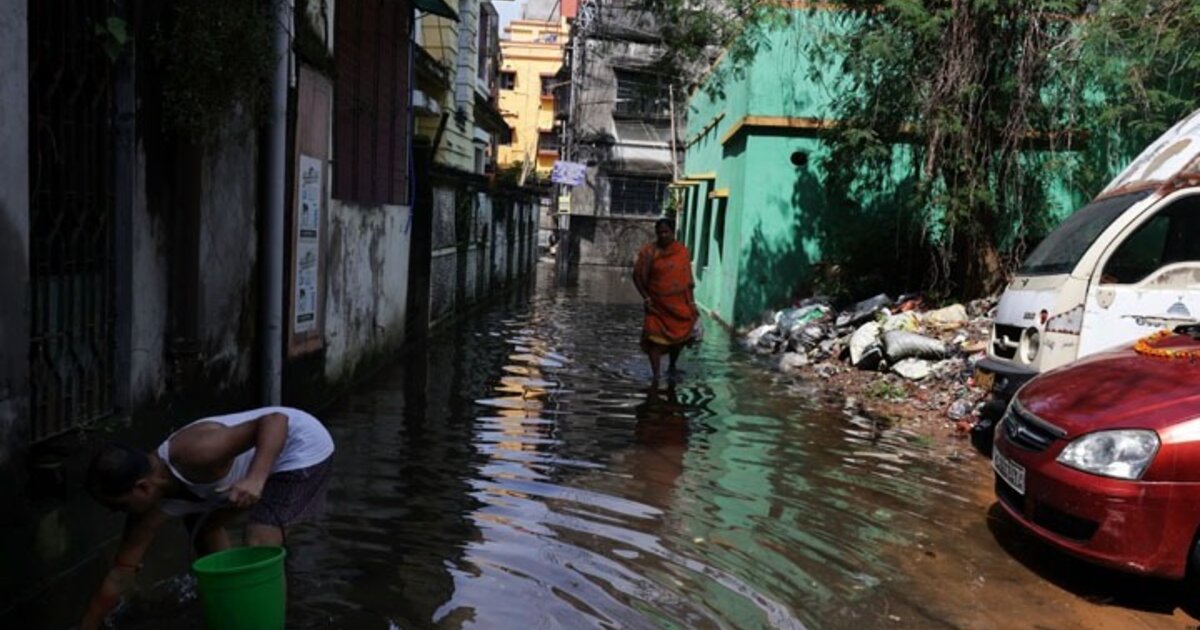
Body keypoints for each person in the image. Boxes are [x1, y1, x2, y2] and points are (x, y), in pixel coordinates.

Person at [80, 407, 335, 630]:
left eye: (119, 506)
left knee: (259, 542)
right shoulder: (148, 510)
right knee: (202, 527)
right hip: (262, 458)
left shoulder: (195, 453)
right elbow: (119, 575)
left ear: (143, 487)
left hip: (300, 447)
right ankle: (233, 604)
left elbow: (275, 420)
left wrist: (256, 478)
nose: (118, 513)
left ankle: (266, 623)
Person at [632, 217, 699, 382]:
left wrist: (691, 304)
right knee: (653, 341)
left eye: (666, 232)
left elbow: (688, 280)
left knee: (679, 340)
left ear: (672, 232)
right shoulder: (649, 252)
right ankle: (656, 374)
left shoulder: (682, 252)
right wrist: (646, 298)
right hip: (656, 306)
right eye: (660, 232)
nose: (663, 235)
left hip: (679, 306)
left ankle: (672, 366)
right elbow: (637, 276)